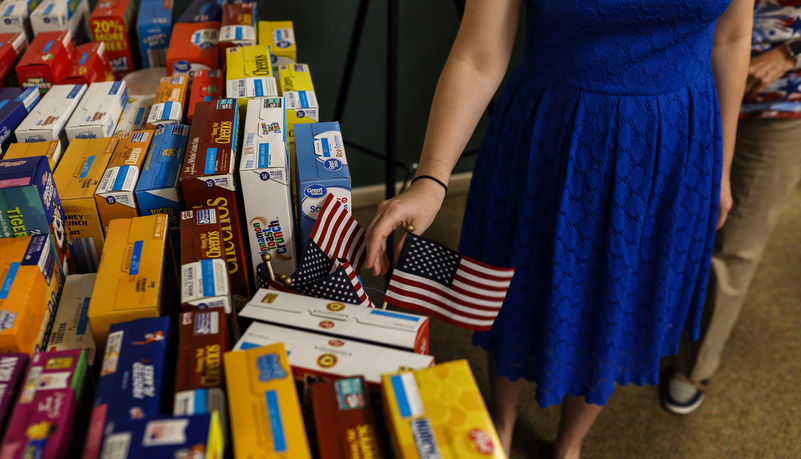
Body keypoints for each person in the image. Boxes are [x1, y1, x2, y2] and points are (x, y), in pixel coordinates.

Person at [364, 1, 754, 458]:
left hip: (674, 145)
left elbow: (731, 37)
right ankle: (501, 425)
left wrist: (720, 168)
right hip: (555, 130)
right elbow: (478, 55)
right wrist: (431, 179)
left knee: (621, 297)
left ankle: (570, 444)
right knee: (519, 286)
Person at [664, 1, 801, 415]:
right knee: (667, 222)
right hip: (686, 85)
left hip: (776, 105)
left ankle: (695, 363)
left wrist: (791, 51)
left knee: (734, 242)